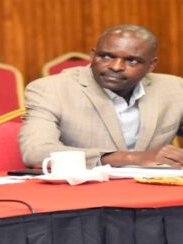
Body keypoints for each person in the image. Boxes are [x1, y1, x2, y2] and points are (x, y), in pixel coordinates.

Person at [19, 24, 183, 169]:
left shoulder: (174, 88)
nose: (115, 67)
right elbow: (36, 152)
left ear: (151, 65)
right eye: (106, 56)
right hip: (85, 192)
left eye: (132, 61)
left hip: (156, 189)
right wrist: (131, 158)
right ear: (92, 56)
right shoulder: (51, 89)